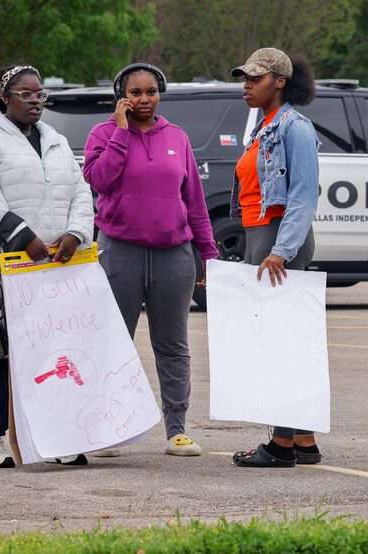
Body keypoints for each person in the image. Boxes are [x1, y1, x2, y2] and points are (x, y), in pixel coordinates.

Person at [0, 64, 95, 468]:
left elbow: (81, 191)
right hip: (7, 261)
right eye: (26, 94)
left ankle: (54, 437)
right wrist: (24, 239)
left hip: (54, 265)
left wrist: (75, 232)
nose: (36, 101)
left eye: (40, 95)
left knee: (52, 349)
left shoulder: (55, 140)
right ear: (6, 97)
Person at [83, 63, 218, 457]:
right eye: (135, 92)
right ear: (121, 95)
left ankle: (176, 429)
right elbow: (99, 180)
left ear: (160, 94)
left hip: (173, 255)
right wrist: (122, 133)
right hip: (120, 250)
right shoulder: (103, 134)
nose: (144, 99)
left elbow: (193, 199)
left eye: (151, 91)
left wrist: (207, 253)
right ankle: (108, 430)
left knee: (172, 344)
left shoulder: (176, 136)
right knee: (114, 343)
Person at [228, 48, 323, 468]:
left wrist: (280, 251)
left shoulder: (294, 128)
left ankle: (280, 445)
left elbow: (303, 196)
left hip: (279, 241)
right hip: (262, 237)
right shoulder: (264, 127)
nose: (247, 84)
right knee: (282, 338)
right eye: (244, 78)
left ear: (280, 81)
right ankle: (303, 438)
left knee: (281, 342)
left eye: (256, 77)